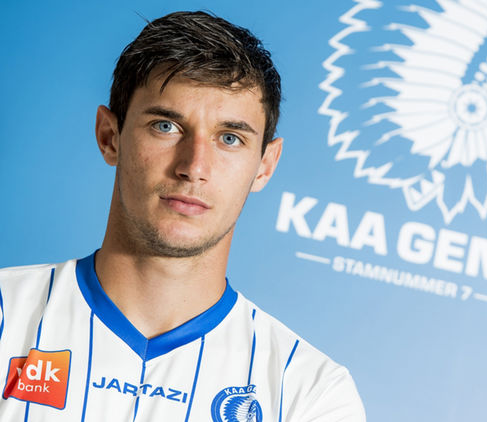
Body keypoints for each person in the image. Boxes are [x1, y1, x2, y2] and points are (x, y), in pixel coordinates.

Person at [0, 11, 366, 422]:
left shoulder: (309, 393)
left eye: (230, 138)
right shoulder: (6, 314)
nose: (194, 167)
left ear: (265, 165)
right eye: (165, 126)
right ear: (110, 137)